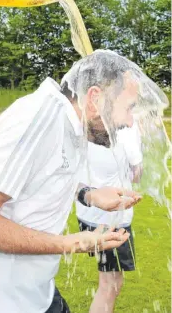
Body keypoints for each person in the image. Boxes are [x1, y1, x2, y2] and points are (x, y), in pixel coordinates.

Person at [0, 0, 142, 313]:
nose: (129, 122)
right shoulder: (39, 119)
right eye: (128, 109)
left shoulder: (69, 124)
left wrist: (91, 194)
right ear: (94, 97)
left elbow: (39, 178)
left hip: (34, 294)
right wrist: (74, 242)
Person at [76, 121, 143, 313]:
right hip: (111, 217)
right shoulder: (126, 130)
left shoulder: (90, 123)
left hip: (88, 212)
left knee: (109, 281)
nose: (132, 116)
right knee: (110, 285)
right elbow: (137, 175)